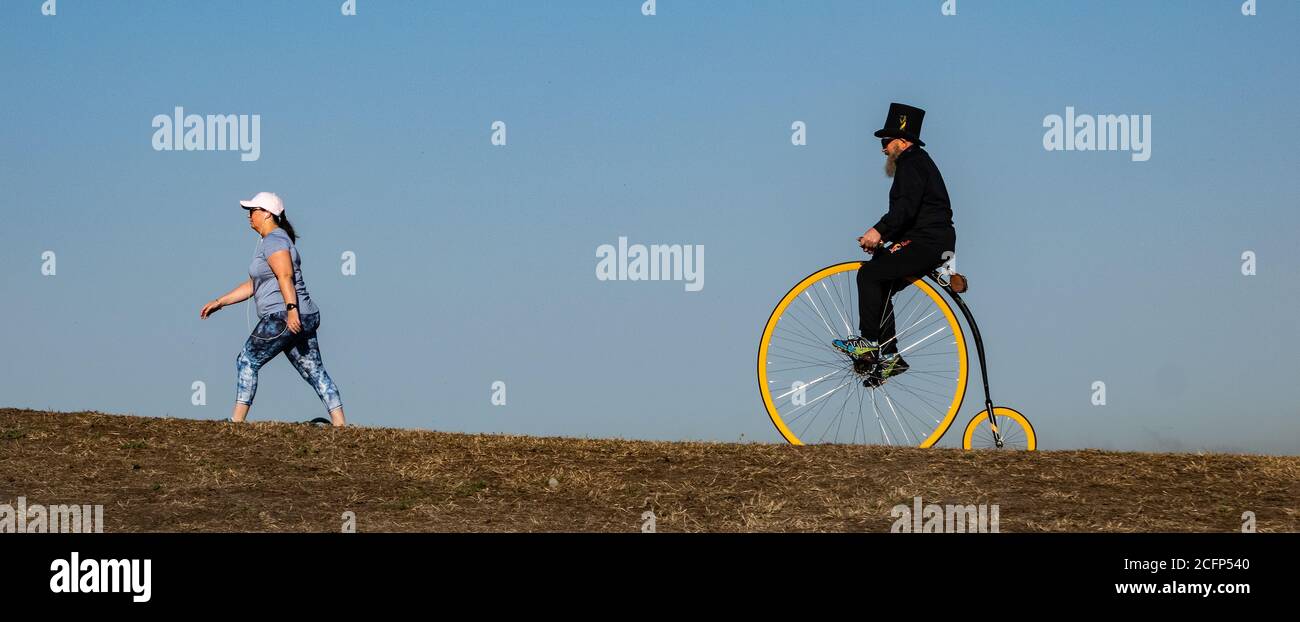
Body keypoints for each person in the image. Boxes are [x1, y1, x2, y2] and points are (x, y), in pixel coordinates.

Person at [199, 192, 347, 426]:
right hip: (301, 314)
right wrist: (220, 302)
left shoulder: (274, 241)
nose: (249, 216)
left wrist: (290, 311)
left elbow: (285, 275)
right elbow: (256, 284)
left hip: (283, 315)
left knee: (247, 360)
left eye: (253, 210)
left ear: (267, 213)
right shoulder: (274, 240)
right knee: (314, 371)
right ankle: (340, 425)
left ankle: (236, 423)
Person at [833, 103, 956, 381]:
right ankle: (890, 356)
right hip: (929, 240)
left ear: (903, 141)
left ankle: (868, 344)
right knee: (881, 279)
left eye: (886, 142)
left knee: (869, 276)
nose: (883, 149)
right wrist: (893, 242)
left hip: (930, 242)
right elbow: (916, 213)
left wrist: (879, 231)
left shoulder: (912, 163)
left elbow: (905, 210)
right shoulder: (916, 163)